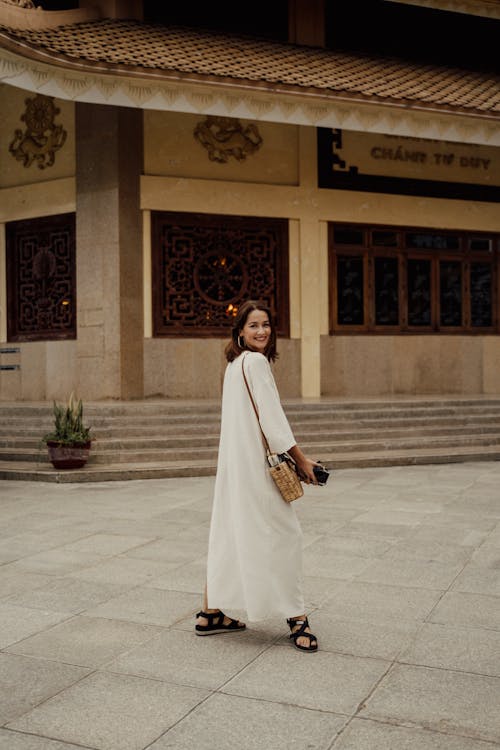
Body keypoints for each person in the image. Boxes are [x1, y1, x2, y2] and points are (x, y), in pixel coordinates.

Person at [195, 300, 320, 652]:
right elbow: (272, 419)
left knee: (229, 533)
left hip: (235, 467)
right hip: (255, 471)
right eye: (254, 325)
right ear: (240, 331)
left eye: (266, 324)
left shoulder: (235, 365)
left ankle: (210, 613)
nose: (262, 331)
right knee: (285, 535)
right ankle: (297, 619)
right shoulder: (256, 362)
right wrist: (301, 459)